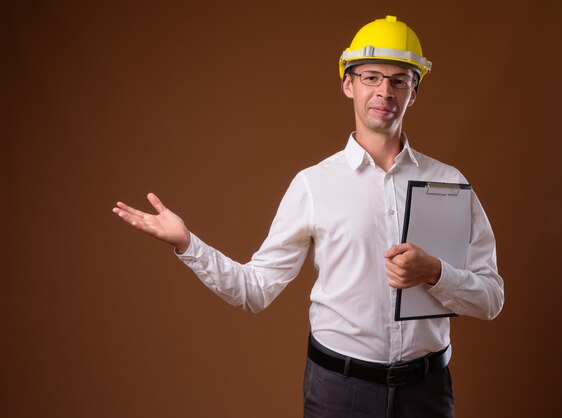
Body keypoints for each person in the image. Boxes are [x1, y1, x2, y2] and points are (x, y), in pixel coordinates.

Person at [113, 15, 504, 418]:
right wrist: (186, 243)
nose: (384, 91)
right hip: (339, 394)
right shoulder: (313, 185)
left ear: (414, 92)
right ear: (348, 84)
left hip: (428, 395)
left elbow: (492, 298)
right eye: (371, 77)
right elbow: (255, 289)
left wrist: (436, 272)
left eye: (399, 80)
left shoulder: (450, 183)